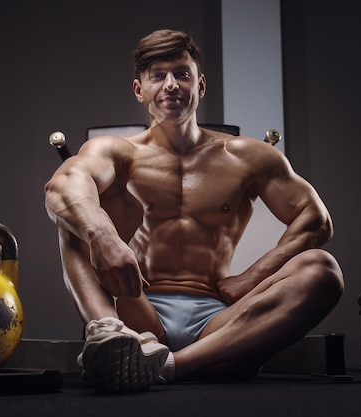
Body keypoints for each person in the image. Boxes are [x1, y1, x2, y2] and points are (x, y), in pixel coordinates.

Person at [44, 29, 343, 393]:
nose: (171, 85)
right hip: (138, 311)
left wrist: (251, 277)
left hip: (218, 323)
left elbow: (316, 219)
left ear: (200, 86)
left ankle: (170, 366)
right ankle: (108, 335)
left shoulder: (248, 156)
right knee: (75, 214)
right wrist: (104, 237)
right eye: (158, 76)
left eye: (181, 74)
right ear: (140, 90)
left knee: (322, 270)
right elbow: (62, 187)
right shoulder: (117, 151)